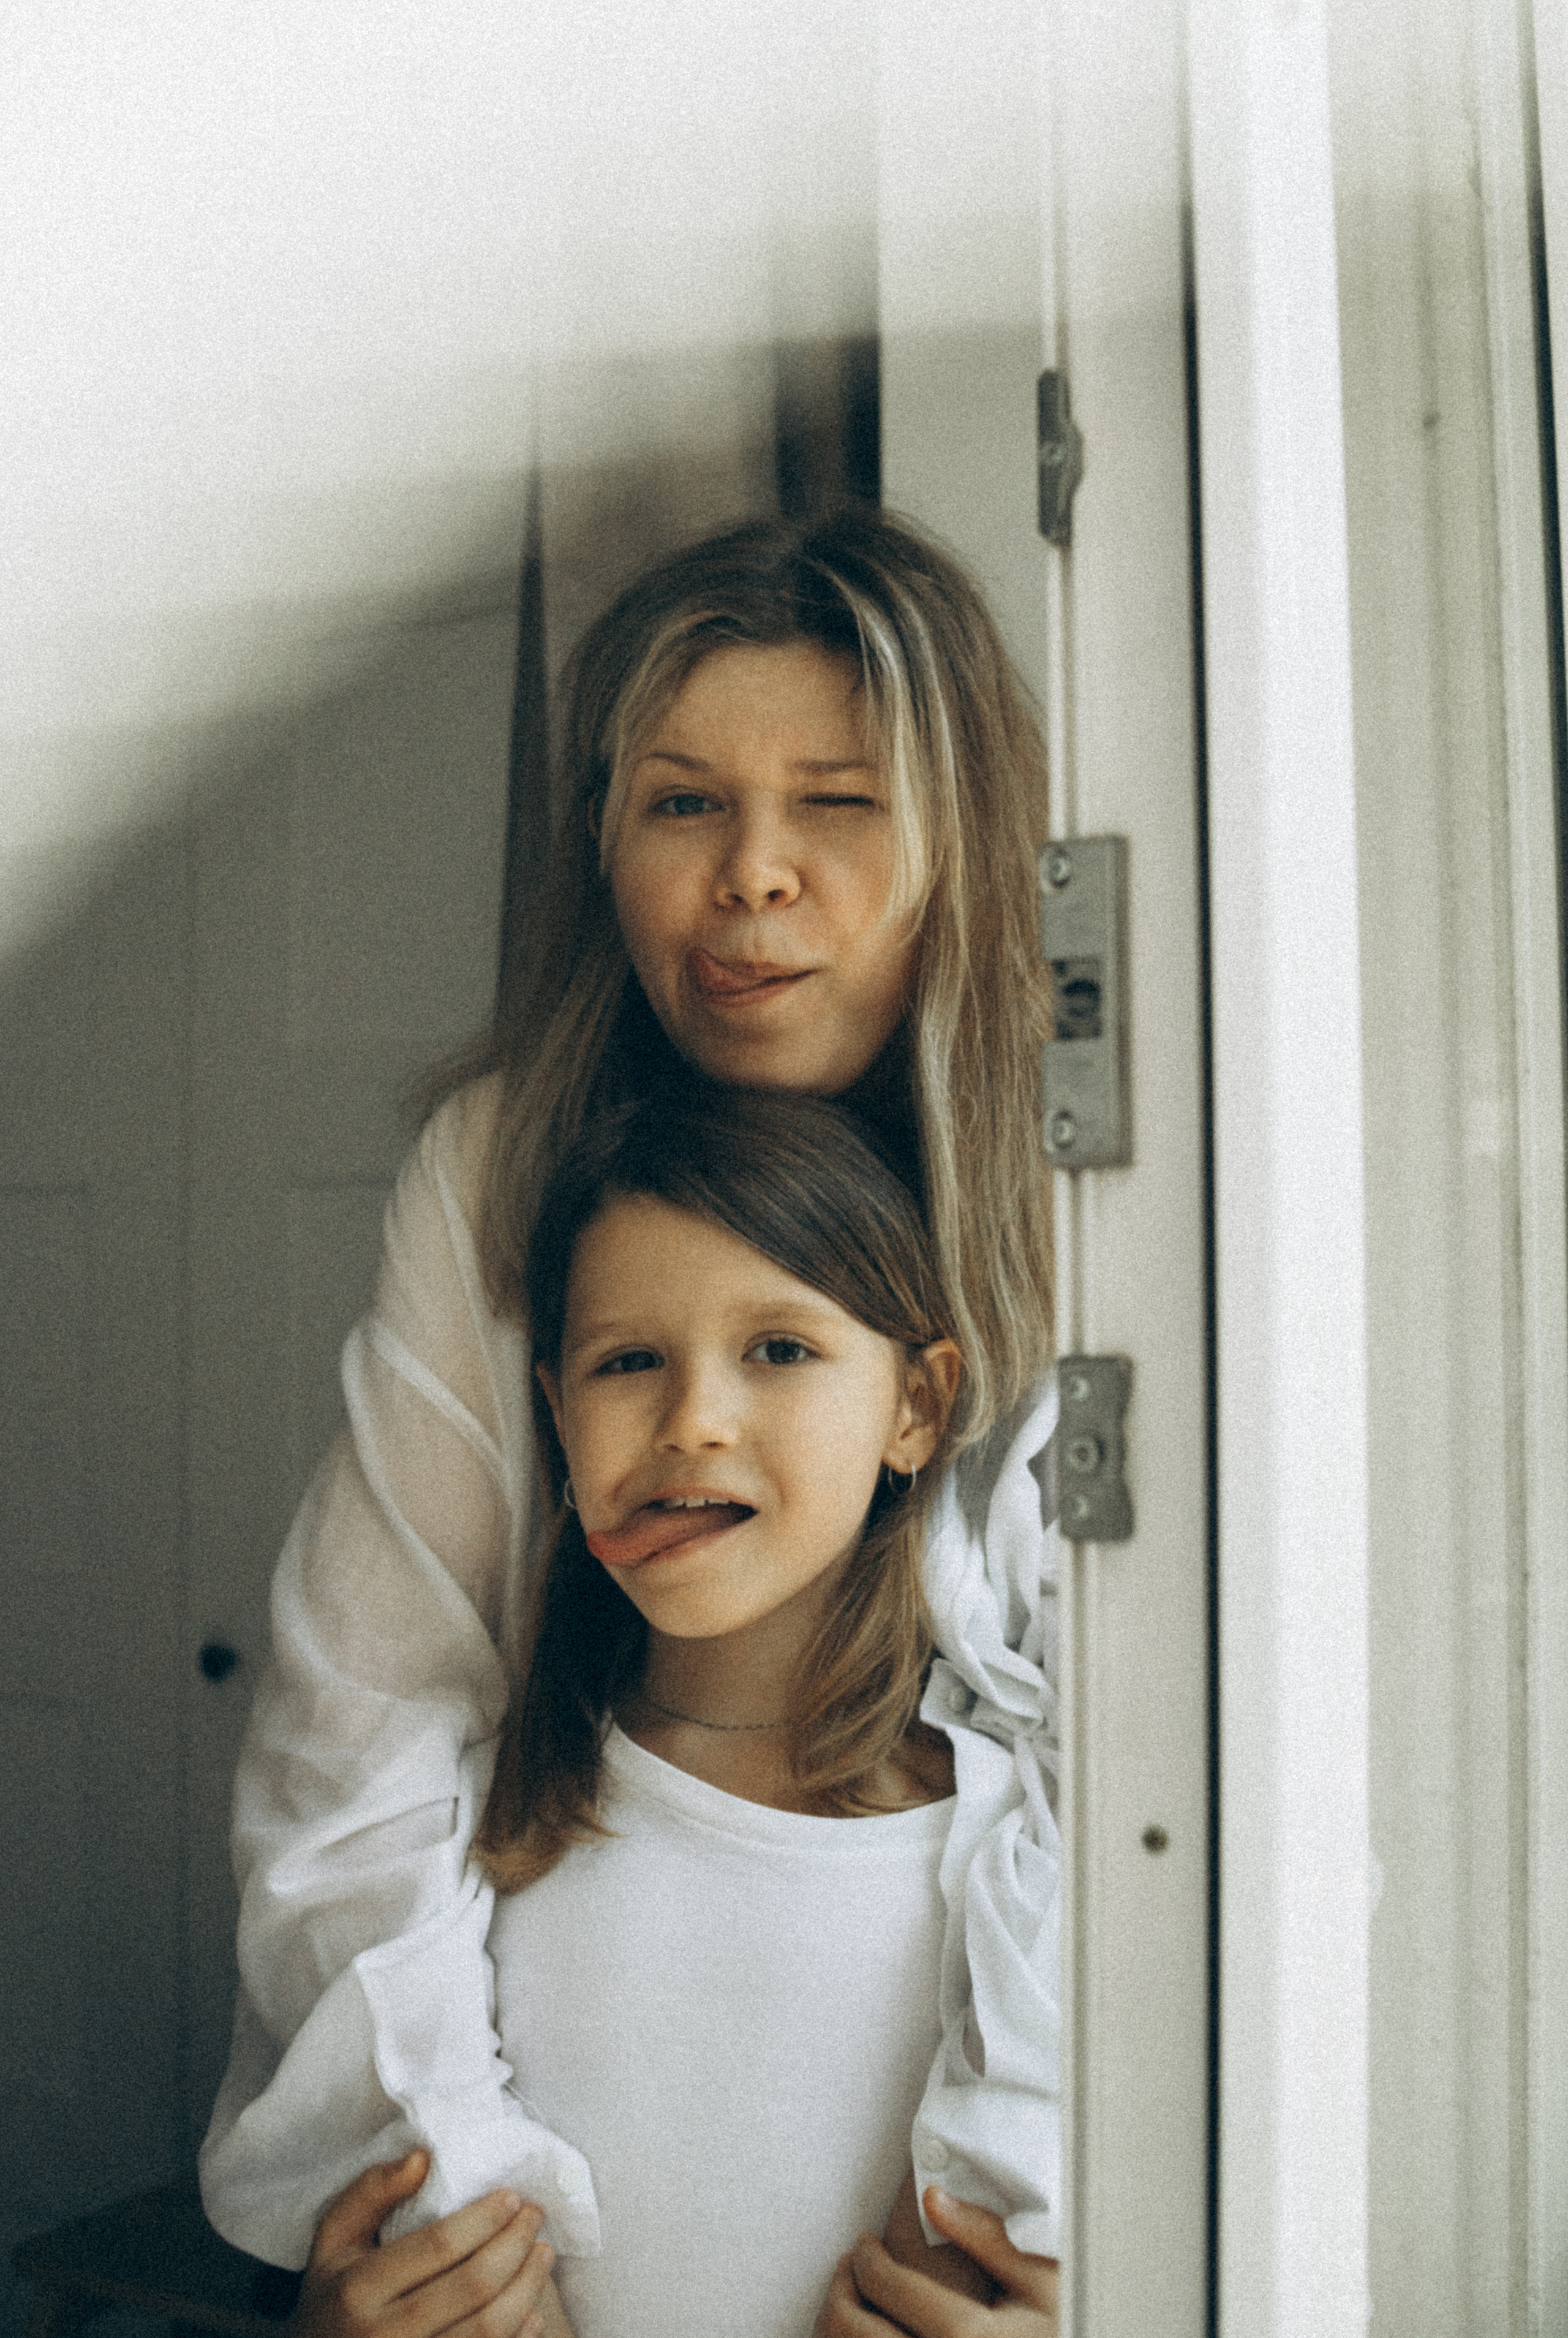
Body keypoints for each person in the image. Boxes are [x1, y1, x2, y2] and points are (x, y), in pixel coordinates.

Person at [198, 505, 1063, 2315]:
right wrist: (453, 2204)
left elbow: (1143, 1794)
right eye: (683, 805)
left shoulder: (1096, 1188)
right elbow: (362, 1714)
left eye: (837, 802)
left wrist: (1026, 2235)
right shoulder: (503, 1164)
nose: (752, 875)